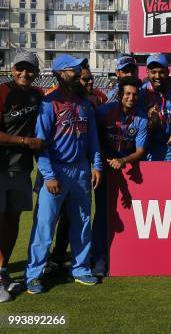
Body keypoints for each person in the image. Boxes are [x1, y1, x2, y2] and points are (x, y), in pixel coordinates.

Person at [25, 54, 103, 294]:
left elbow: (93, 140)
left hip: (80, 169)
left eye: (79, 69)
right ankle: (34, 274)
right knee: (45, 226)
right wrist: (48, 175)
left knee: (81, 223)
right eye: (73, 70)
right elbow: (41, 142)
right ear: (60, 74)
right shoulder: (49, 104)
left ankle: (80, 269)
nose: (79, 73)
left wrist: (97, 165)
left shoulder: (85, 104)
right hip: (56, 169)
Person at [0, 52, 45, 302]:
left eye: (29, 70)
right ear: (12, 68)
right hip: (1, 167)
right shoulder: (2, 91)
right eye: (20, 68)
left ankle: (4, 270)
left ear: (37, 73)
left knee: (12, 221)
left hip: (22, 169)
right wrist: (25, 141)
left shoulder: (37, 95)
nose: (24, 74)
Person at [92, 76, 148, 276]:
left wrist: (123, 161)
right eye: (127, 94)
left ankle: (123, 256)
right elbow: (94, 138)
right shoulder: (104, 112)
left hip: (124, 168)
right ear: (120, 94)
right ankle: (98, 258)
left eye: (134, 94)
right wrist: (102, 161)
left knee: (127, 216)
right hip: (103, 167)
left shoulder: (141, 118)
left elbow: (141, 150)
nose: (131, 98)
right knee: (102, 214)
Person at [139, 53, 171, 161]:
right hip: (149, 152)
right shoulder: (141, 92)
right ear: (147, 72)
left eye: (161, 72)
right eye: (153, 72)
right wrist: (150, 119)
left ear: (168, 72)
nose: (157, 76)